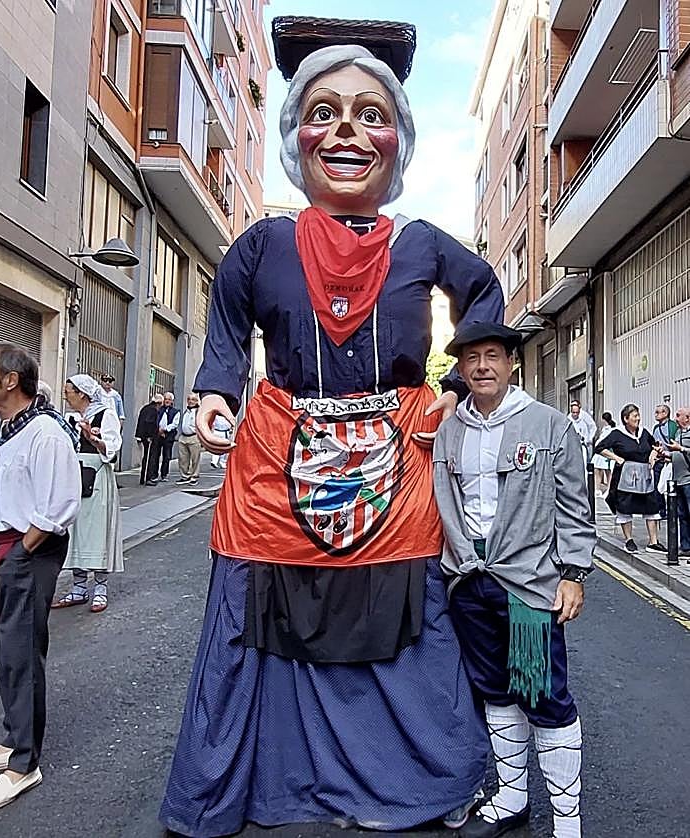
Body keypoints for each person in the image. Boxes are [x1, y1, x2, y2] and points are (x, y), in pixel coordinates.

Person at [160, 33, 505, 837]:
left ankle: (416, 780)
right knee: (252, 609)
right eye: (324, 113)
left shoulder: (422, 242)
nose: (347, 131)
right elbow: (226, 321)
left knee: (410, 616)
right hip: (274, 470)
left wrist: (460, 382)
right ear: (294, 136)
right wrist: (216, 389)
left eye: (369, 115)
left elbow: (483, 289)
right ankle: (253, 781)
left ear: (400, 141)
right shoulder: (261, 244)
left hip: (399, 465)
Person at [433, 323, 595, 838]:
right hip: (467, 581)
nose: (482, 366)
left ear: (510, 364)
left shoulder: (548, 425)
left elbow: (574, 505)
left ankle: (568, 821)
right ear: (460, 370)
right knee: (495, 692)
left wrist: (572, 573)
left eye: (492, 357)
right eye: (472, 359)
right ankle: (511, 797)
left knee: (543, 695)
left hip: (527, 583)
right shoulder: (449, 430)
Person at [0, 343, 81, 812]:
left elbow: (59, 504)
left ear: (9, 381)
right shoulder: (2, 428)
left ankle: (24, 763)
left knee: (21, 651)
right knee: (3, 646)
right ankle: (11, 738)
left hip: (24, 549)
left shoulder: (45, 432)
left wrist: (21, 553)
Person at [52, 374, 124, 613]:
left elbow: (113, 450)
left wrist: (93, 439)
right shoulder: (69, 417)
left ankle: (100, 588)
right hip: (73, 475)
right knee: (75, 531)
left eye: (68, 391)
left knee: (96, 530)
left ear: (81, 393)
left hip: (96, 476)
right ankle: (79, 587)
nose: (65, 395)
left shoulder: (106, 414)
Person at [595, 403, 666, 555]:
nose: (638, 419)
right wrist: (616, 458)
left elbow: (655, 445)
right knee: (625, 506)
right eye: (635, 416)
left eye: (638, 415)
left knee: (651, 507)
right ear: (626, 419)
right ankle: (629, 540)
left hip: (645, 475)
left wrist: (655, 453)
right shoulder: (617, 434)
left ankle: (653, 542)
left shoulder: (644, 433)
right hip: (625, 475)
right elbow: (599, 448)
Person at [668, 406, 690, 559]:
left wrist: (680, 448)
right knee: (682, 515)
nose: (676, 418)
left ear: (687, 418)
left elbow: (683, 450)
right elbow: (677, 454)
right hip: (678, 480)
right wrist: (666, 455)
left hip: (688, 480)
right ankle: (686, 546)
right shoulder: (678, 432)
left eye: (678, 415)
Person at [651, 403, 677, 518]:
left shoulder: (672, 426)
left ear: (665, 413)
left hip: (670, 460)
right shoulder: (656, 428)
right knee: (657, 486)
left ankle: (672, 510)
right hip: (659, 460)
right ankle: (661, 510)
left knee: (671, 486)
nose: (655, 415)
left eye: (658, 412)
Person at [135, 392, 164, 485]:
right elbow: (149, 423)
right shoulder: (153, 410)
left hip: (144, 436)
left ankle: (143, 478)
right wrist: (150, 435)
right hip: (149, 437)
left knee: (147, 457)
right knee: (149, 457)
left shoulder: (145, 408)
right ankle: (147, 478)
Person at [154, 391, 180, 482]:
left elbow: (174, 424)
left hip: (169, 436)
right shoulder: (159, 409)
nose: (167, 401)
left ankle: (164, 474)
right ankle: (154, 474)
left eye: (169, 399)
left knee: (167, 456)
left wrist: (165, 430)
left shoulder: (176, 412)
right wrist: (159, 430)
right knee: (155, 455)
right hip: (158, 434)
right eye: (165, 399)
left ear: (172, 401)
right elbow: (156, 420)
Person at [176, 393, 201, 485]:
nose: (191, 401)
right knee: (183, 458)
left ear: (197, 401)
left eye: (193, 400)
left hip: (194, 437)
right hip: (183, 437)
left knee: (195, 459)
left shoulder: (198, 411)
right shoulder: (186, 411)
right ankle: (185, 476)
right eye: (189, 399)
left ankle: (194, 476)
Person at [591, 411, 616, 496]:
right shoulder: (605, 429)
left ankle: (608, 489)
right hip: (600, 453)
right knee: (598, 470)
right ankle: (597, 489)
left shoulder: (610, 429)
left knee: (608, 471)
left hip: (605, 452)